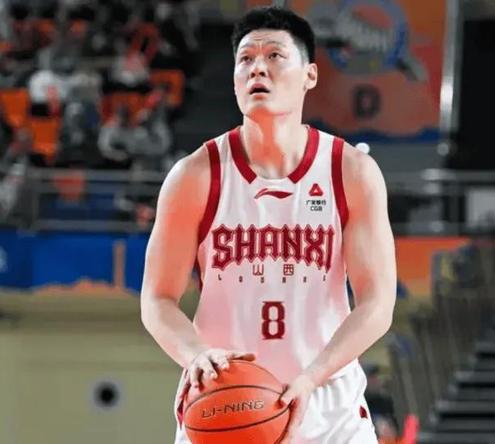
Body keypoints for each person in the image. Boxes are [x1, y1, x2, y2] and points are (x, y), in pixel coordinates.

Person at [140, 7, 397, 444]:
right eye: (245, 59)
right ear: (235, 79)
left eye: (274, 55)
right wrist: (195, 354)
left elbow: (377, 304)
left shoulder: (351, 171)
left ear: (310, 75)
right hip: (224, 401)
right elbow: (157, 299)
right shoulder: (195, 176)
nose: (257, 67)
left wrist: (312, 376)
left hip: (327, 407)